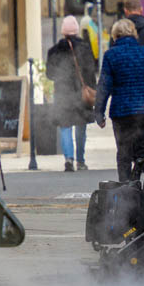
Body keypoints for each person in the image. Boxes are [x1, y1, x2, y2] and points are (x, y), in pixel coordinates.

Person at [95, 19, 144, 181]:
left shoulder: (111, 55)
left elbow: (104, 86)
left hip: (122, 114)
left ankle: (126, 193)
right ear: (135, 34)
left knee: (124, 155)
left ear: (114, 36)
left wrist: (99, 113)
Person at [46, 16, 97, 172]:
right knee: (81, 128)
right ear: (76, 31)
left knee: (65, 126)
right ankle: (81, 161)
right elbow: (90, 72)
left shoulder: (54, 51)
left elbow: (49, 74)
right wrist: (92, 89)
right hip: (81, 94)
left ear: (63, 31)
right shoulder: (85, 48)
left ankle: (68, 159)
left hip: (63, 94)